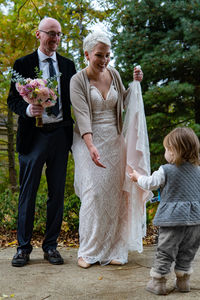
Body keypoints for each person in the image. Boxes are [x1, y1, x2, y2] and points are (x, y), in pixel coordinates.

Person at [70, 31, 143, 268]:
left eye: (108, 55)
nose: (104, 60)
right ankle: (87, 251)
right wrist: (90, 145)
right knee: (93, 193)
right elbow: (81, 115)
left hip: (114, 140)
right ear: (87, 54)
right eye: (99, 55)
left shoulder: (114, 74)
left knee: (115, 195)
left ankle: (115, 248)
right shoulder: (77, 80)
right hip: (87, 140)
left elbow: (122, 101)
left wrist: (135, 84)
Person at [7, 17, 76, 267]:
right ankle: (23, 248)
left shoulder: (69, 66)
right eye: (51, 34)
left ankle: (51, 246)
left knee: (56, 193)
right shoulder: (22, 64)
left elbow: (75, 99)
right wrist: (27, 111)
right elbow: (12, 100)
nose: (56, 39)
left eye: (59, 34)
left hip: (60, 135)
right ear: (38, 34)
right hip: (33, 137)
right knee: (28, 193)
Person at [130, 127, 200, 295]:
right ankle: (183, 282)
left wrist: (137, 177)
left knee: (166, 250)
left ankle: (158, 282)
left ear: (175, 151)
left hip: (172, 219)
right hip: (195, 219)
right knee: (188, 250)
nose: (165, 153)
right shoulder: (198, 171)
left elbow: (150, 183)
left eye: (167, 149)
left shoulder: (165, 170)